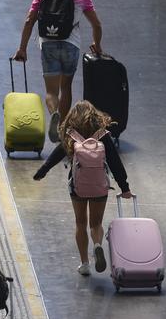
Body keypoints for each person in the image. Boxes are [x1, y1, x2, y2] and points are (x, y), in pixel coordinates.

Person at [33, 101, 132, 275]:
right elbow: (115, 162)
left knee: (80, 223)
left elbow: (58, 153)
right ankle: (98, 245)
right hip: (99, 185)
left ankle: (84, 264)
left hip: (77, 186)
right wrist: (125, 187)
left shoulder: (72, 135)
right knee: (96, 224)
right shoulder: (102, 135)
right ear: (95, 118)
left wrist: (43, 170)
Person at [12, 0, 103, 143]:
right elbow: (96, 24)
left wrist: (22, 48)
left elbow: (29, 21)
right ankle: (62, 128)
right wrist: (97, 43)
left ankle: (54, 113)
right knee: (66, 86)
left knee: (51, 92)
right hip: (71, 45)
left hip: (48, 44)